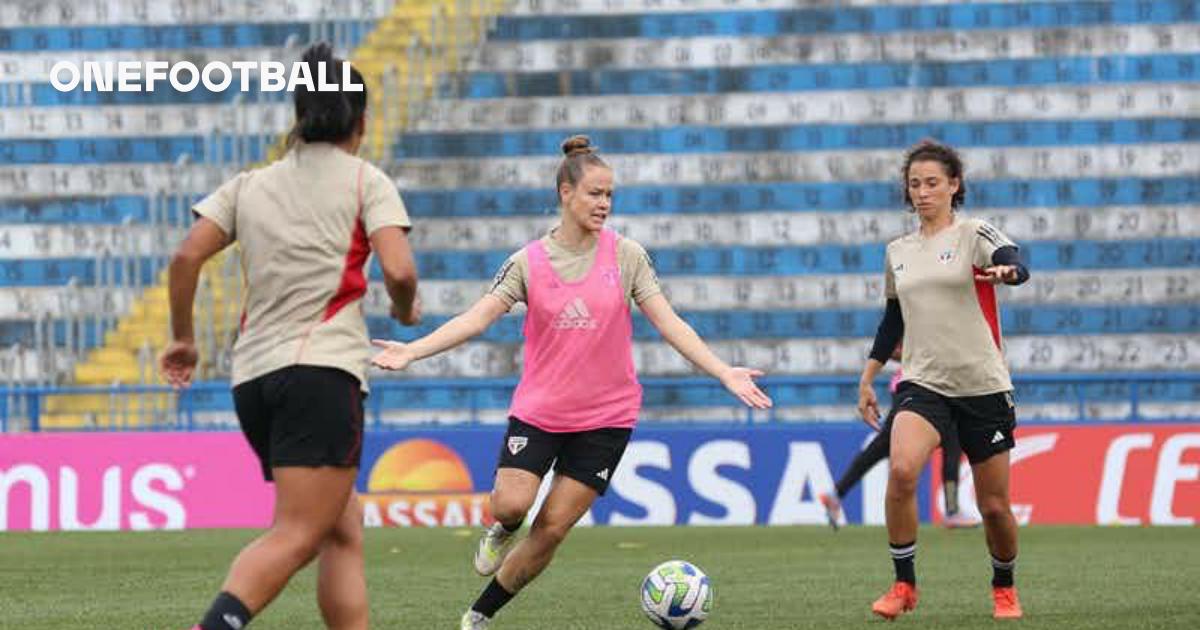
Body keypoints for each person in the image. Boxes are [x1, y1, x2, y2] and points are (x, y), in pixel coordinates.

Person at [370, 135, 772, 630]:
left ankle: (478, 615)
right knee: (513, 504)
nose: (604, 204)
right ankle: (501, 528)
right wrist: (412, 350)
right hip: (541, 410)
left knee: (552, 529)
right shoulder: (528, 262)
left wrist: (722, 369)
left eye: (609, 196)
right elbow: (476, 319)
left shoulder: (627, 256)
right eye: (595, 194)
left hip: (608, 417)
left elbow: (671, 323)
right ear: (566, 193)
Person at [160, 43, 421, 630]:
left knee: (341, 524)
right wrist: (406, 311)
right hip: (321, 372)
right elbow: (400, 270)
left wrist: (183, 340)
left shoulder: (249, 184)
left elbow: (185, 258)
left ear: (299, 116)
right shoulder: (365, 181)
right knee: (299, 534)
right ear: (360, 120)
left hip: (253, 379)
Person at [856, 140, 1030, 621]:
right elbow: (892, 321)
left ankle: (1004, 587)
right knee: (902, 470)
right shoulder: (898, 251)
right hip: (923, 383)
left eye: (932, 182)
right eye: (914, 184)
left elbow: (1016, 261)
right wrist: (868, 379)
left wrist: (1008, 272)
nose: (922, 192)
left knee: (993, 506)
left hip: (983, 385)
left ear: (954, 185)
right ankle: (904, 584)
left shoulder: (974, 232)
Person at [819, 345, 980, 530]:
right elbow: (890, 348)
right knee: (885, 446)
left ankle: (836, 494)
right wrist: (922, 353)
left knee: (950, 443)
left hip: (934, 387)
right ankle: (952, 511)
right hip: (914, 387)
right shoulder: (916, 320)